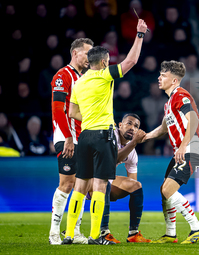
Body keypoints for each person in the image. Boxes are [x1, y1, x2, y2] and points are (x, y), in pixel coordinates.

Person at [62, 19, 148, 245]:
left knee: (80, 186)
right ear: (103, 62)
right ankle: (94, 236)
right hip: (103, 136)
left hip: (85, 136)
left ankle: (69, 234)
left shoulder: (79, 82)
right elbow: (131, 61)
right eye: (108, 61)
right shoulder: (103, 75)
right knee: (100, 185)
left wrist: (89, 117)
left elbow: (71, 111)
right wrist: (139, 35)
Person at [143, 60, 199, 244]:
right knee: (165, 192)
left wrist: (182, 145)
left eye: (163, 75)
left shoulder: (181, 95)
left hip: (191, 148)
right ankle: (170, 234)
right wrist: (145, 137)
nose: (159, 77)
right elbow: (163, 128)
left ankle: (197, 228)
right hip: (182, 150)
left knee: (168, 189)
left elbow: (193, 120)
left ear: (174, 80)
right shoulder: (169, 102)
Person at [49, 38, 94, 245]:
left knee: (81, 186)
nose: (90, 57)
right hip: (67, 137)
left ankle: (74, 232)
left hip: (81, 138)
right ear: (75, 53)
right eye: (87, 53)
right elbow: (58, 109)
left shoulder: (82, 77)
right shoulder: (62, 76)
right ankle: (54, 234)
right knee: (66, 183)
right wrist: (67, 136)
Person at [82, 113, 150, 243]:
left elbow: (132, 183)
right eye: (129, 123)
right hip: (87, 180)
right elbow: (110, 160)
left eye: (136, 126)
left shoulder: (132, 152)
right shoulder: (110, 135)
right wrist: (134, 142)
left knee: (136, 185)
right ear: (120, 125)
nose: (132, 128)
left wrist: (114, 193)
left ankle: (133, 233)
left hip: (104, 181)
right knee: (104, 181)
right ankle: (104, 232)